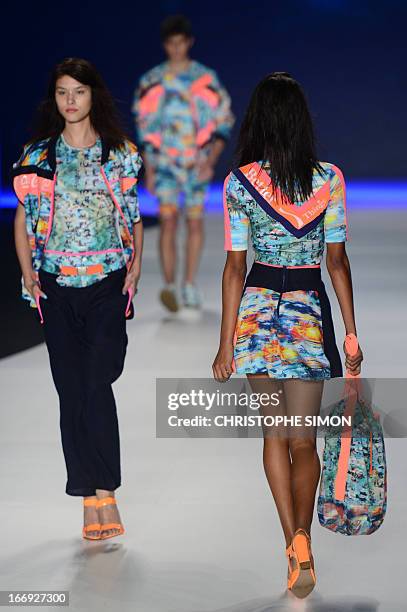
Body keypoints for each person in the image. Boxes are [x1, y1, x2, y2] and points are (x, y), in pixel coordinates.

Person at [212, 72, 363, 598]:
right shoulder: (329, 180)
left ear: (257, 119)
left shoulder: (239, 184)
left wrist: (226, 341)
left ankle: (292, 541)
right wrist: (349, 332)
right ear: (301, 120)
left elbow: (234, 267)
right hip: (305, 317)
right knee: (305, 440)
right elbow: (337, 262)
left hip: (256, 315)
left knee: (274, 437)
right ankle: (304, 539)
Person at [13, 57, 144, 541]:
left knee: (98, 376)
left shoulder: (121, 155)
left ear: (94, 97)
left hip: (108, 281)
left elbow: (132, 217)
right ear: (56, 99)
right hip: (55, 284)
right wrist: (27, 272)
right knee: (75, 391)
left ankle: (98, 487)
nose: (71, 100)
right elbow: (25, 218)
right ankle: (96, 495)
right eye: (63, 92)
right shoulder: (37, 156)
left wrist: (136, 266)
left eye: (79, 92)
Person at [132, 14, 234, 311]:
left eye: (181, 42)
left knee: (194, 221)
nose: (176, 48)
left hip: (197, 163)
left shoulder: (205, 78)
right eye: (171, 43)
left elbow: (223, 120)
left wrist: (211, 160)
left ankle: (188, 284)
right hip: (164, 164)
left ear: (189, 42)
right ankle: (169, 286)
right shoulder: (151, 81)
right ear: (166, 45)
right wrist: (148, 169)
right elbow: (145, 129)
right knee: (167, 220)